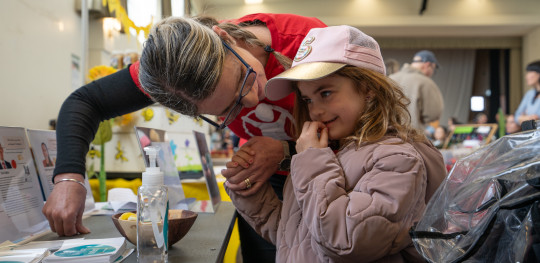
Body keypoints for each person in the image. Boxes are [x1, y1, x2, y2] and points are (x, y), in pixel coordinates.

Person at [44, 13, 326, 262]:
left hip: (335, 174)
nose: (253, 99)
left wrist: (285, 150)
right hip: (264, 182)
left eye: (244, 76)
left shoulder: (310, 43)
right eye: (230, 108)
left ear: (224, 37)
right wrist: (69, 178)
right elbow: (86, 102)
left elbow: (368, 133)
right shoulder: (171, 74)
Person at [225, 25, 446, 262]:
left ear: (368, 89)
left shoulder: (397, 159)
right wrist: (250, 195)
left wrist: (311, 160)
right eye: (307, 99)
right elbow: (296, 237)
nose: (316, 110)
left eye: (326, 93)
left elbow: (347, 240)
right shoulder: (328, 153)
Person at [390, 50, 444, 131]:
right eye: (434, 69)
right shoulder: (425, 82)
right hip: (412, 138)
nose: (432, 73)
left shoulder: (390, 78)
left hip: (386, 138)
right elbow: (433, 114)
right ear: (428, 65)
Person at [514, 60, 540, 126]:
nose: (526, 77)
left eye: (529, 72)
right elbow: (516, 116)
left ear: (538, 74)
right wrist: (530, 118)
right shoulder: (529, 94)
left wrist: (524, 117)